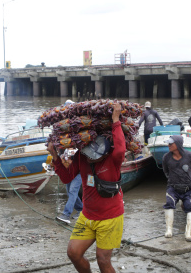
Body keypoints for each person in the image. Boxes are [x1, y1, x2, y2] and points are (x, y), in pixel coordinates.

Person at [47, 103, 126, 273]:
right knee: (73, 253)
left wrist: (115, 120)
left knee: (103, 260)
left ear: (104, 154)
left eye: (94, 157)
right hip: (87, 216)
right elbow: (67, 177)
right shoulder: (82, 157)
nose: (90, 159)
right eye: (88, 155)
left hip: (110, 217)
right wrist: (55, 156)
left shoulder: (113, 159)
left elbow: (120, 148)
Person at [162, 135, 191, 242]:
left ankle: (188, 233)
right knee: (169, 203)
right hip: (173, 187)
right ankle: (169, 230)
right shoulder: (166, 157)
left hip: (189, 187)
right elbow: (165, 171)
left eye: (171, 143)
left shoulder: (190, 156)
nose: (168, 145)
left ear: (177, 144)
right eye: (168, 143)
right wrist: (172, 180)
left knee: (190, 207)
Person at [56, 150, 83, 224]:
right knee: (70, 192)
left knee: (72, 191)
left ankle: (66, 215)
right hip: (70, 173)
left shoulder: (75, 146)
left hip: (79, 172)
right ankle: (81, 210)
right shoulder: (63, 149)